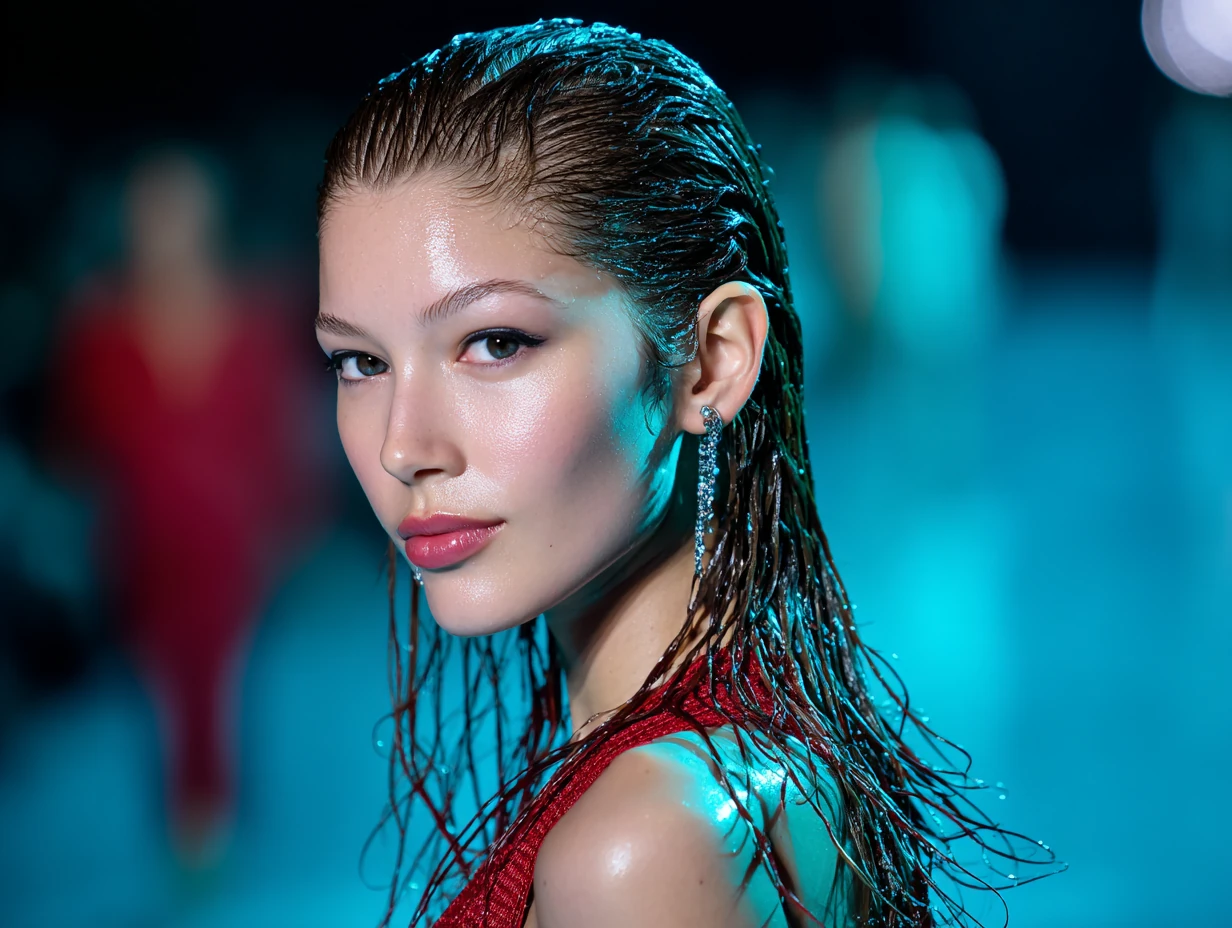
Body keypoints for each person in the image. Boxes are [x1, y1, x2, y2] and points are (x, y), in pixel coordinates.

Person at [315, 20, 1053, 927]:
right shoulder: (746, 751)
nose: (402, 446)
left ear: (712, 361)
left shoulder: (637, 849)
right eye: (359, 362)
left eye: (495, 342)